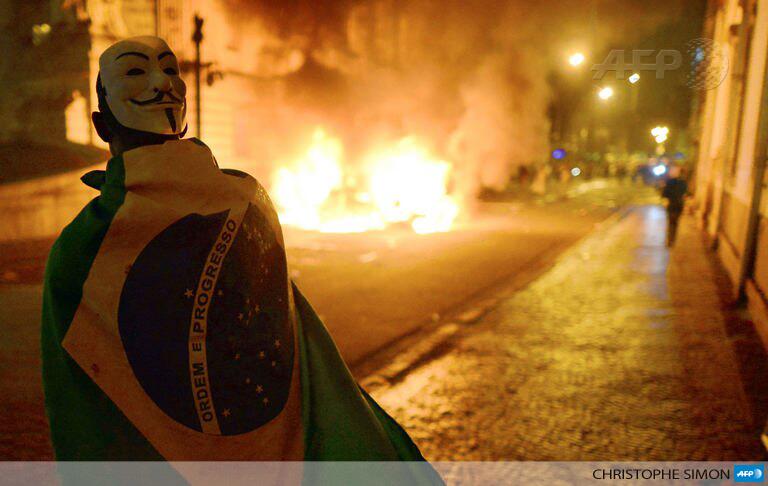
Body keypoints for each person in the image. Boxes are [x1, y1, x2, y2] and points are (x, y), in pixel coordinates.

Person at [41, 36, 440, 480]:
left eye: (170, 69)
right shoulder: (248, 200)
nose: (162, 82)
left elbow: (84, 411)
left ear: (100, 126)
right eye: (136, 71)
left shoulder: (81, 248)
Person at [661, 166, 688, 246]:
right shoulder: (683, 182)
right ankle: (672, 239)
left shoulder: (669, 182)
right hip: (678, 205)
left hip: (672, 205)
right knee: (675, 222)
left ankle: (670, 239)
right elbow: (685, 194)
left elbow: (664, 194)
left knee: (671, 222)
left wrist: (665, 200)